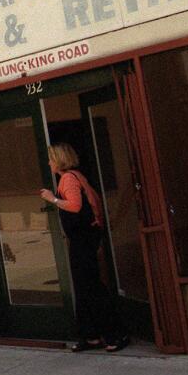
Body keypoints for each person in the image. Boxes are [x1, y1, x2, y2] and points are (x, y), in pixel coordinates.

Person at [39, 143, 130, 353]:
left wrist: (52, 199)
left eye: (51, 159)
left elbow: (75, 206)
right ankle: (90, 335)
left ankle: (114, 333)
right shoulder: (75, 176)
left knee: (90, 286)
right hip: (84, 238)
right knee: (83, 285)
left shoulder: (68, 178)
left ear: (60, 160)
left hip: (83, 239)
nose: (49, 163)